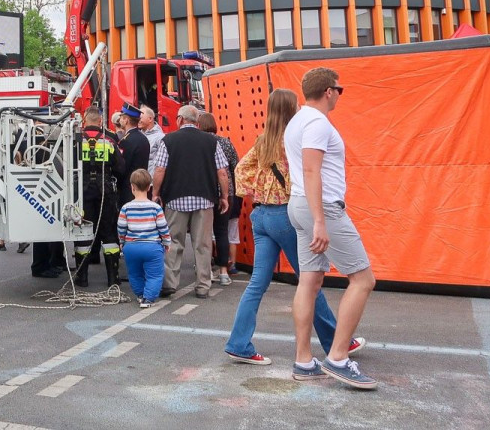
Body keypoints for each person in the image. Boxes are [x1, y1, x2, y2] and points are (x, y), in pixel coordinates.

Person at [224, 88, 365, 366]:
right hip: (285, 215)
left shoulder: (263, 140)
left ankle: (238, 343)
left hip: (260, 216)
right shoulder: (294, 139)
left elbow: (240, 170)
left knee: (257, 284)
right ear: (292, 108)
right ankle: (337, 341)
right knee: (311, 281)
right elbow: (305, 176)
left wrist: (256, 191)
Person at [286, 67, 377, 390]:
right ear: (328, 91)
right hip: (319, 208)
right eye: (340, 89)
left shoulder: (298, 120)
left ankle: (303, 360)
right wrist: (321, 221)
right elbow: (312, 170)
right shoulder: (316, 122)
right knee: (363, 279)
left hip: (300, 205)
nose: (340, 94)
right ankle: (338, 357)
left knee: (309, 281)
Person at [151, 104, 228, 298]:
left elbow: (160, 169)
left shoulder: (168, 140)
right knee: (202, 244)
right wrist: (224, 196)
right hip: (204, 199)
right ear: (196, 122)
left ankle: (169, 283)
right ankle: (203, 285)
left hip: (175, 199)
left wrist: (156, 193)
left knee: (173, 242)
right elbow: (222, 172)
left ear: (179, 119)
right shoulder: (211, 142)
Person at [74, 107, 125, 287]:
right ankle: (113, 278)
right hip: (106, 192)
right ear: (101, 121)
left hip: (83, 193)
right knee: (109, 233)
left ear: (84, 121)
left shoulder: (76, 140)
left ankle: (82, 277)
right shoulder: (110, 140)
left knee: (83, 233)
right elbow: (120, 168)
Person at [117, 168, 171, 308]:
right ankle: (148, 298)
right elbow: (162, 227)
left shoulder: (126, 208)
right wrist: (166, 242)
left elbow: (121, 227)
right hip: (152, 246)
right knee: (154, 275)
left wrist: (122, 242)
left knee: (134, 274)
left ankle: (140, 294)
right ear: (149, 187)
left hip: (132, 246)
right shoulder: (155, 208)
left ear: (132, 187)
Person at [195, 112, 235, 286]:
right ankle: (224, 271)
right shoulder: (226, 142)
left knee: (203, 233)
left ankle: (206, 270)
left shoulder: (199, 143)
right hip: (227, 191)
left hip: (206, 191)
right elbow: (235, 165)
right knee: (222, 232)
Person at [118, 103, 151, 207]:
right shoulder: (143, 138)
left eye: (122, 118)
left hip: (129, 188)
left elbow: (123, 167)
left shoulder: (126, 141)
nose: (120, 120)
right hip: (142, 186)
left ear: (126, 120)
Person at [140, 106, 166, 179]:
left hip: (151, 181)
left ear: (150, 119)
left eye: (140, 117)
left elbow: (161, 165)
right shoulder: (139, 135)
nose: (138, 120)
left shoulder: (160, 137)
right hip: (141, 180)